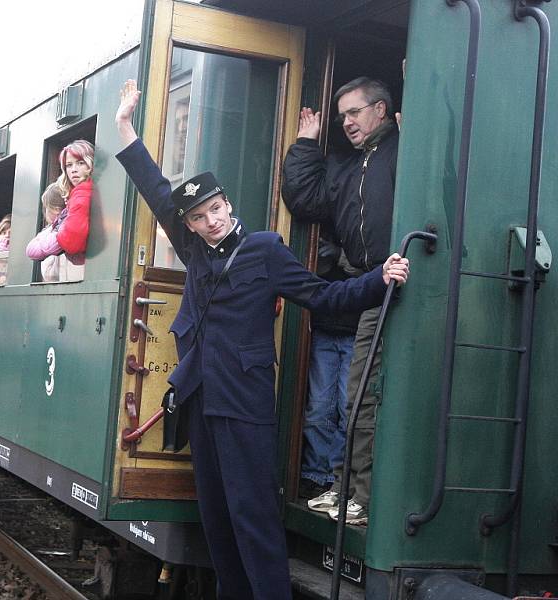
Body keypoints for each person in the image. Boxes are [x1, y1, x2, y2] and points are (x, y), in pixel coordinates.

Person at [115, 79, 409, 600]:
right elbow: (158, 191)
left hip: (245, 401)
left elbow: (323, 297)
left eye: (214, 211)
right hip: (201, 397)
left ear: (228, 205)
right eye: (198, 218)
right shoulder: (195, 248)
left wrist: (378, 278)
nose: (209, 223)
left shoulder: (266, 250)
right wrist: (125, 128)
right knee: (216, 512)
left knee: (252, 513)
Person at [281, 76, 399, 525]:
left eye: (354, 112)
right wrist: (307, 145)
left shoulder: (400, 147)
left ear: (381, 111)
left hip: (404, 282)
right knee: (358, 395)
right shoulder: (352, 165)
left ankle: (363, 497)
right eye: (342, 115)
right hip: (374, 285)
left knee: (367, 394)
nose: (346, 122)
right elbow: (305, 199)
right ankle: (345, 489)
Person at [298, 230, 360, 500]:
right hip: (325, 325)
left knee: (348, 407)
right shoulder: (324, 223)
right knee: (319, 407)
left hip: (355, 327)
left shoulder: (363, 229)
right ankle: (317, 474)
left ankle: (338, 478)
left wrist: (336, 254)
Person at [26, 140, 94, 279]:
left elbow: (72, 241)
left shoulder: (81, 193)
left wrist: (51, 237)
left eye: (80, 163)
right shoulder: (78, 193)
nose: (73, 169)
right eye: (69, 165)